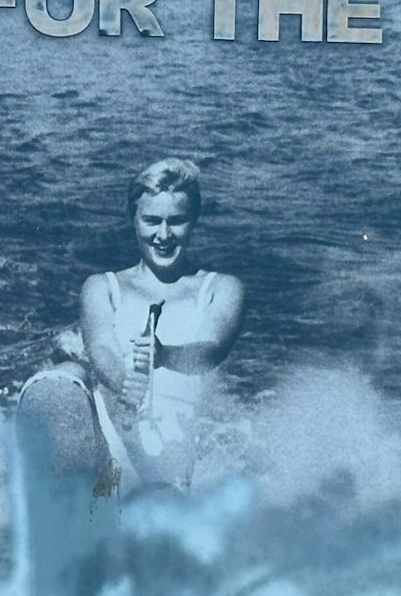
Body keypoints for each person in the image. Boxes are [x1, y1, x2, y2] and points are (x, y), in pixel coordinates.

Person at [19, 157, 246, 500]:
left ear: (194, 220)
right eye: (152, 221)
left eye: (177, 221)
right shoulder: (101, 286)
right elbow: (101, 348)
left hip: (169, 468)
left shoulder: (221, 288)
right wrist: (125, 383)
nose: (164, 235)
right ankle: (64, 508)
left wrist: (166, 355)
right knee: (60, 381)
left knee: (155, 506)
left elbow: (212, 346)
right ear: (134, 220)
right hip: (106, 450)